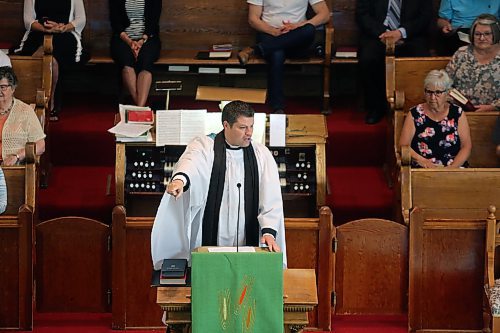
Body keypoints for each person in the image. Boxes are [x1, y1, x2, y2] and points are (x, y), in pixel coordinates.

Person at [151, 101, 287, 269]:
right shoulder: (206, 146)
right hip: (212, 233)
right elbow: (191, 161)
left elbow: (271, 198)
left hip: (247, 236)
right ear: (226, 125)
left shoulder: (261, 154)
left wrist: (268, 232)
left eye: (251, 126)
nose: (249, 133)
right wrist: (180, 180)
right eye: (243, 128)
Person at [237, 0, 330, 113]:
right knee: (277, 54)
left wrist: (298, 26)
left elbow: (324, 14)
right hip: (270, 34)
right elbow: (253, 19)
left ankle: (256, 49)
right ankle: (277, 108)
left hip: (297, 36)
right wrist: (273, 31)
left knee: (309, 29)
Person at [356, 0, 432, 124]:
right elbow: (362, 15)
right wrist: (384, 33)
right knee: (368, 58)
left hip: (410, 36)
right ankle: (376, 107)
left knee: (421, 57)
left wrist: (400, 33)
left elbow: (425, 17)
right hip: (378, 36)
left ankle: (414, 106)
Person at [15, 0, 87, 121]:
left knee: (53, 55)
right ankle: (32, 99)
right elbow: (28, 20)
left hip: (65, 34)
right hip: (38, 32)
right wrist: (44, 28)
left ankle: (49, 100)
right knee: (40, 53)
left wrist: (63, 27)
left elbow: (81, 19)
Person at [399, 69, 471, 168]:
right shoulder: (415, 114)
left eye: (438, 93)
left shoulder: (457, 113)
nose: (432, 97)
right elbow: (404, 146)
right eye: (429, 92)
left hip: (453, 168)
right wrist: (424, 162)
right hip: (423, 168)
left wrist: (452, 168)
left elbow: (466, 146)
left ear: (447, 93)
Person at [109, 0, 161, 107]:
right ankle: (140, 107)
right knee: (126, 62)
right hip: (122, 39)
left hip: (148, 39)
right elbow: (115, 22)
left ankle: (139, 107)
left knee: (146, 62)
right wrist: (130, 42)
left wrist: (142, 41)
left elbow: (154, 20)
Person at [445, 14, 500, 112]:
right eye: (477, 34)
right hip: (459, 112)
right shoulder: (461, 53)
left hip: (495, 115)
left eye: (487, 34)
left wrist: (493, 107)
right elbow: (445, 84)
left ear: (496, 34)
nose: (482, 38)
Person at [0, 67, 46, 166]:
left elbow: (40, 145)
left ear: (13, 88)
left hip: (12, 168)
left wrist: (17, 156)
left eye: (2, 87)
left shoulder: (25, 111)